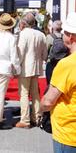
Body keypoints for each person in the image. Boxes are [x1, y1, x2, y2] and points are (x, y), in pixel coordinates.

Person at [40, 12, 76, 153]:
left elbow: (48, 101)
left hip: (69, 132)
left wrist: (40, 109)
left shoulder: (67, 64)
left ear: (71, 36)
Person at [16, 12, 48, 128]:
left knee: (24, 93)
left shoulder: (23, 34)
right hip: (37, 67)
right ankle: (37, 117)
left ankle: (25, 120)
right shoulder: (41, 35)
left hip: (25, 67)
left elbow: (20, 53)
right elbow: (45, 54)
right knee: (35, 93)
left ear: (24, 23)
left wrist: (16, 66)